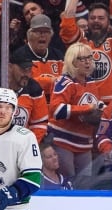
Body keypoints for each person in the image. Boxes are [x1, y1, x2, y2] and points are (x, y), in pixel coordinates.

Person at [59, 0, 112, 104]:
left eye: (101, 18)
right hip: (85, 104)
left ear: (108, 22)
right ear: (88, 20)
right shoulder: (80, 43)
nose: (96, 21)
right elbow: (67, 22)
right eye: (92, 18)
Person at [46, 42, 103, 184]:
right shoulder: (64, 82)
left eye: (89, 58)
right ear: (72, 62)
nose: (87, 62)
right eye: (82, 59)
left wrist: (102, 110)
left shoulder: (91, 82)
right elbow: (56, 110)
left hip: (84, 143)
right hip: (63, 141)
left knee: (85, 184)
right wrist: (86, 109)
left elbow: (96, 104)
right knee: (68, 180)